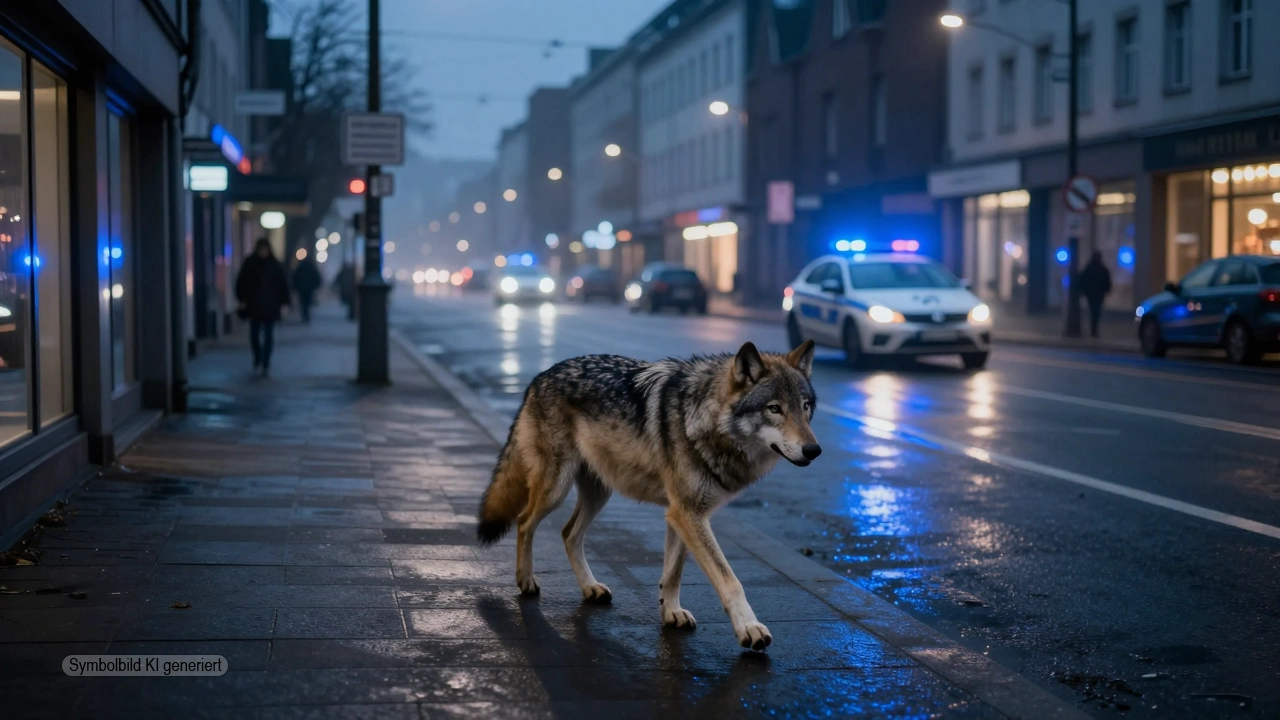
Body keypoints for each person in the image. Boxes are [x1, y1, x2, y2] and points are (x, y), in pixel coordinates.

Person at [235, 239, 291, 376]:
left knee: (268, 336)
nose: (263, 251)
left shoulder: (274, 264)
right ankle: (258, 357)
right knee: (254, 335)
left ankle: (265, 362)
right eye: (261, 249)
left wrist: (284, 303)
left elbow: (282, 285)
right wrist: (241, 299)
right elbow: (241, 282)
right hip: (254, 306)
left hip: (270, 306)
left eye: (265, 249)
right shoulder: (250, 263)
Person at [1077, 250, 1113, 339]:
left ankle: (1093, 329)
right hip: (1097, 294)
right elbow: (1106, 281)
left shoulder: (1090, 268)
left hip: (1093, 294)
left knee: (1094, 311)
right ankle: (1094, 330)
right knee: (1096, 312)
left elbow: (1083, 280)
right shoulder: (1100, 268)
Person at [291, 255, 322, 323]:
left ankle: (305, 315)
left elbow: (295, 277)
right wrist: (315, 286)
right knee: (307, 302)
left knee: (303, 303)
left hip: (302, 288)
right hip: (309, 289)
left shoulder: (300, 267)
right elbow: (317, 277)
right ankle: (306, 315)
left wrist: (295, 287)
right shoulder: (311, 267)